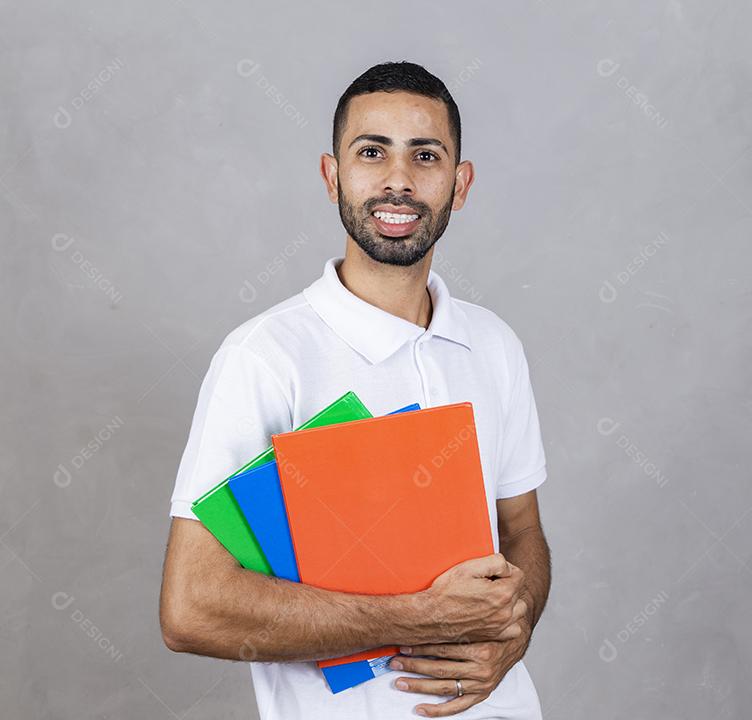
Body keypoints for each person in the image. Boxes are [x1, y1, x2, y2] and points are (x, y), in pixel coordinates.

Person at [159, 61, 551, 719]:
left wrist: (513, 632)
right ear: (331, 174)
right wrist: (419, 617)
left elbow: (524, 534)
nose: (399, 180)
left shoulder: (495, 345)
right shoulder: (265, 358)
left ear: (460, 184)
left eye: (425, 156)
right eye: (373, 152)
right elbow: (191, 609)